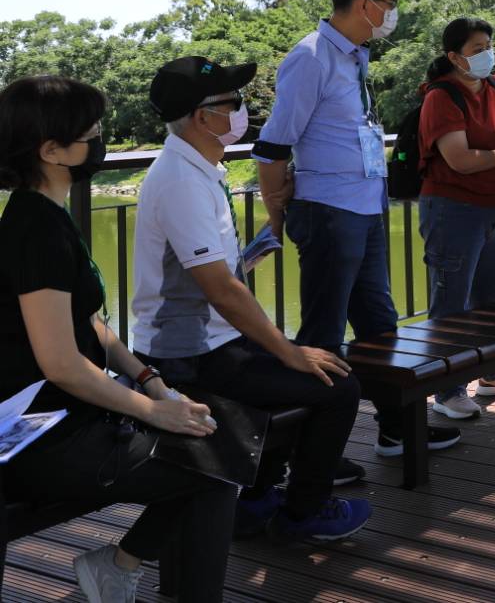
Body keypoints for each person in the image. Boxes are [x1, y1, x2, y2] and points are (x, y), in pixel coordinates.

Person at [0, 75, 234, 603]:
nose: (103, 137)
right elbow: (61, 362)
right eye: (93, 131)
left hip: (67, 413)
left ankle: (118, 566)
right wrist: (153, 412)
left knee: (216, 445)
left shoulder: (47, 215)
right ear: (53, 151)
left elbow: (86, 324)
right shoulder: (35, 231)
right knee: (214, 465)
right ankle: (124, 568)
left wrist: (151, 382)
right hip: (39, 433)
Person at [132, 56, 371, 542]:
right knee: (335, 387)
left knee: (311, 371)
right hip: (190, 357)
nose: (243, 112)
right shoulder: (180, 181)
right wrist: (289, 351)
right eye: (233, 103)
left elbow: (211, 272)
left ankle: (258, 498)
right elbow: (220, 290)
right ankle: (303, 513)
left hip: (214, 342)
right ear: (203, 117)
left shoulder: (199, 169)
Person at [252, 0, 459, 461]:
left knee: (379, 324)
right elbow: (275, 146)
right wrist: (278, 218)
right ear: (365, 3)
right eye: (389, 3)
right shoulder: (312, 56)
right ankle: (307, 457)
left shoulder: (353, 56)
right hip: (328, 211)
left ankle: (395, 428)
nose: (393, 12)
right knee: (322, 333)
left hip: (364, 208)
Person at [416, 18, 495, 418]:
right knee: (451, 301)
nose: (487, 53)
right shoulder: (442, 98)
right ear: (454, 57)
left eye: (489, 44)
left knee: (490, 299)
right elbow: (461, 159)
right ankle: (447, 390)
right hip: (453, 210)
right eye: (476, 48)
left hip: (493, 207)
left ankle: (491, 375)